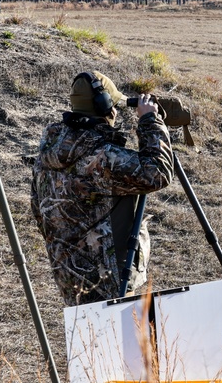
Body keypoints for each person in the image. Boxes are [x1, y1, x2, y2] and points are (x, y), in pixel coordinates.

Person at [31, 71, 174, 306]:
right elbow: (158, 172)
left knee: (88, 340)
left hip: (69, 275)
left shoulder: (48, 153)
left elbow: (39, 211)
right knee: (119, 342)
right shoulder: (102, 158)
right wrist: (150, 122)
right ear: (105, 107)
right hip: (111, 281)